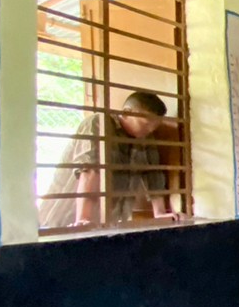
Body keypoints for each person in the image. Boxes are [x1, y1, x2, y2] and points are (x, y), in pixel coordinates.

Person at [37, 90, 179, 229]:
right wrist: (84, 218)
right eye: (146, 124)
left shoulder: (145, 137)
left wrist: (159, 213)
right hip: (63, 219)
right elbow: (89, 171)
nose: (150, 130)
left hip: (108, 222)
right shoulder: (99, 123)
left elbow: (153, 175)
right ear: (127, 113)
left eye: (154, 126)